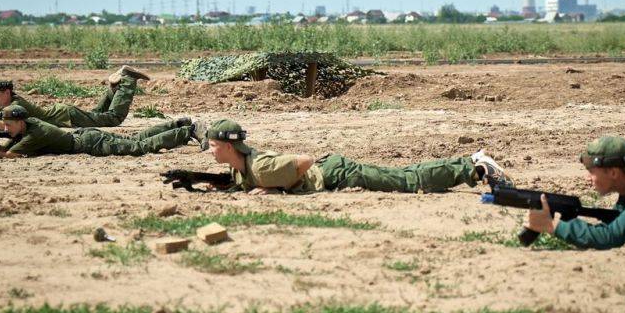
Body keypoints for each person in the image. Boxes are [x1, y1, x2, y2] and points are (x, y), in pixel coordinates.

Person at [201, 119, 509, 195]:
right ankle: (471, 160)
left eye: (213, 145)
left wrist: (275, 188)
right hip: (334, 172)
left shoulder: (262, 167)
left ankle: (475, 167)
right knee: (405, 174)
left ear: (228, 148)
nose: (210, 150)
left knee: (407, 181)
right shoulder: (242, 167)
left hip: (338, 174)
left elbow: (304, 161)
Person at [0, 104, 204, 158]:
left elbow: (9, 157)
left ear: (20, 122)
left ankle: (188, 130)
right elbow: (8, 148)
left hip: (89, 143)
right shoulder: (30, 126)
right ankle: (178, 123)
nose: (5, 129)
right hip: (86, 136)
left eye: (8, 125)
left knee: (139, 147)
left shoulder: (35, 133)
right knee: (135, 139)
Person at [0, 66, 148, 130]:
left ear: (7, 93)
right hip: (64, 114)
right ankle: (114, 87)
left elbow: (3, 125)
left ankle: (127, 79)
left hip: (66, 118)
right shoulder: (11, 103)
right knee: (100, 115)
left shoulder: (14, 105)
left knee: (112, 118)